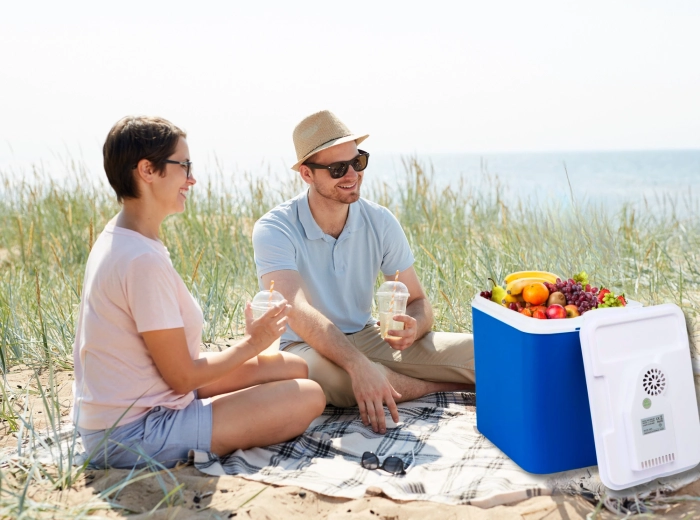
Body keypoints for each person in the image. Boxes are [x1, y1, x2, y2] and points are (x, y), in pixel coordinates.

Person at [72, 116, 325, 469]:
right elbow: (182, 378)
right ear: (147, 170)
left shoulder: (126, 237)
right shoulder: (141, 259)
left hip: (145, 400)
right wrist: (253, 343)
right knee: (309, 397)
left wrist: (253, 348)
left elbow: (171, 370)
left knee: (294, 367)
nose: (191, 178)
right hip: (133, 432)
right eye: (184, 166)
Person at [252, 110, 475, 436]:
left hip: (367, 336)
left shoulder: (380, 221)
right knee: (335, 381)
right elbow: (295, 310)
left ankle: (391, 378)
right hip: (303, 345)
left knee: (480, 352)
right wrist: (359, 366)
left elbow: (418, 301)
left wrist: (414, 325)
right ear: (307, 174)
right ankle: (440, 387)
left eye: (358, 162)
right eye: (337, 169)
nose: (352, 174)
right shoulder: (275, 228)